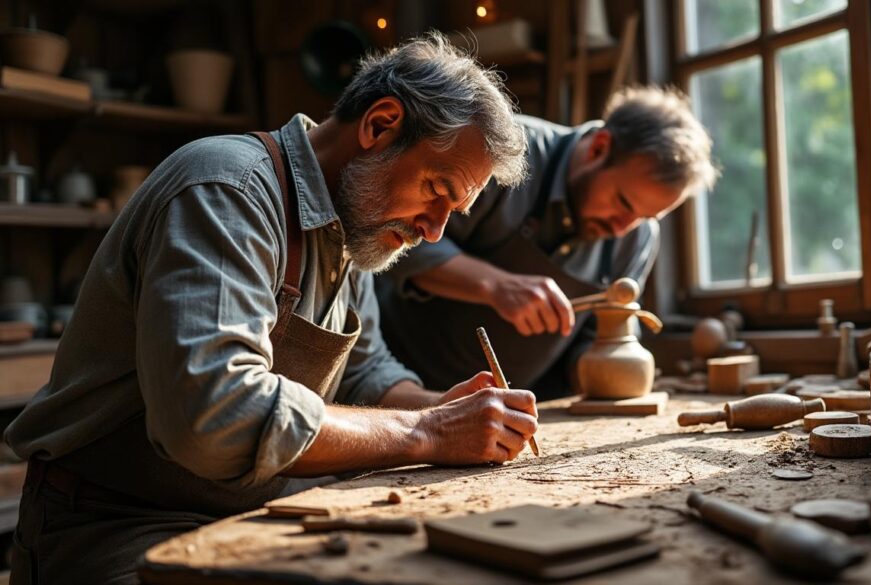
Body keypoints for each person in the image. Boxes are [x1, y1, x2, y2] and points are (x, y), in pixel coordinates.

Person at [4, 34, 533, 585]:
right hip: (116, 524)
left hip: (252, 511)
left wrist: (449, 412)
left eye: (455, 209)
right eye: (436, 189)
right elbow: (215, 414)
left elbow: (368, 371)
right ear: (380, 126)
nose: (434, 230)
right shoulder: (227, 189)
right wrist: (426, 431)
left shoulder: (356, 224)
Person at [376, 86, 717, 399]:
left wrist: (602, 373)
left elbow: (597, 339)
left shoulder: (636, 237)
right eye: (624, 203)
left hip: (509, 405)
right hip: (396, 384)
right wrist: (495, 285)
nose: (623, 228)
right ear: (600, 147)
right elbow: (401, 240)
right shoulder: (502, 154)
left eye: (646, 217)